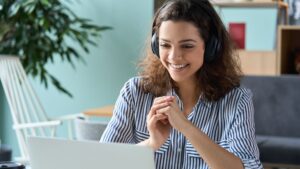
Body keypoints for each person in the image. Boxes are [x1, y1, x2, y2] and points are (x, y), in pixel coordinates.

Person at [100, 0, 263, 168]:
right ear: (156, 46)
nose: (174, 56)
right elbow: (101, 162)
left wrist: (186, 127)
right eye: (165, 45)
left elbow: (249, 167)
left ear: (210, 47)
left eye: (187, 46)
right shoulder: (134, 92)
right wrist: (151, 144)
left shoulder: (237, 100)